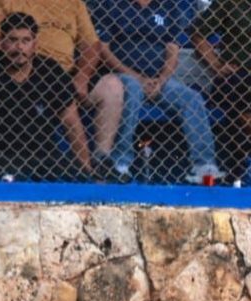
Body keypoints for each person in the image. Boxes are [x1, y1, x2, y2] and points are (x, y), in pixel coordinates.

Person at [0, 0, 129, 181]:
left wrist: (82, 77)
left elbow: (91, 45)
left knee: (112, 86)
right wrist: (14, 63)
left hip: (68, 74)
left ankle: (99, 161)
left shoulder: (74, 4)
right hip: (24, 72)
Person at [94, 0, 223, 184]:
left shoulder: (168, 6)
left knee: (192, 98)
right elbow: (104, 50)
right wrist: (138, 78)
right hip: (123, 75)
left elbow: (173, 52)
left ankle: (204, 166)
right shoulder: (112, 4)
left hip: (158, 80)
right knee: (132, 89)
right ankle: (121, 163)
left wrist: (160, 81)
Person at [0, 12, 92, 181]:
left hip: (43, 157)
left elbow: (72, 124)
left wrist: (87, 172)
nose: (19, 47)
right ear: (0, 41)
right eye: (13, 40)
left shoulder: (51, 71)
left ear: (35, 44)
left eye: (26, 41)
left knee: (72, 178)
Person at [191, 0, 251, 181]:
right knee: (239, 89)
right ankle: (237, 171)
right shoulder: (231, 2)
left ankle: (238, 171)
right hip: (237, 76)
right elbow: (198, 34)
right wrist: (216, 65)